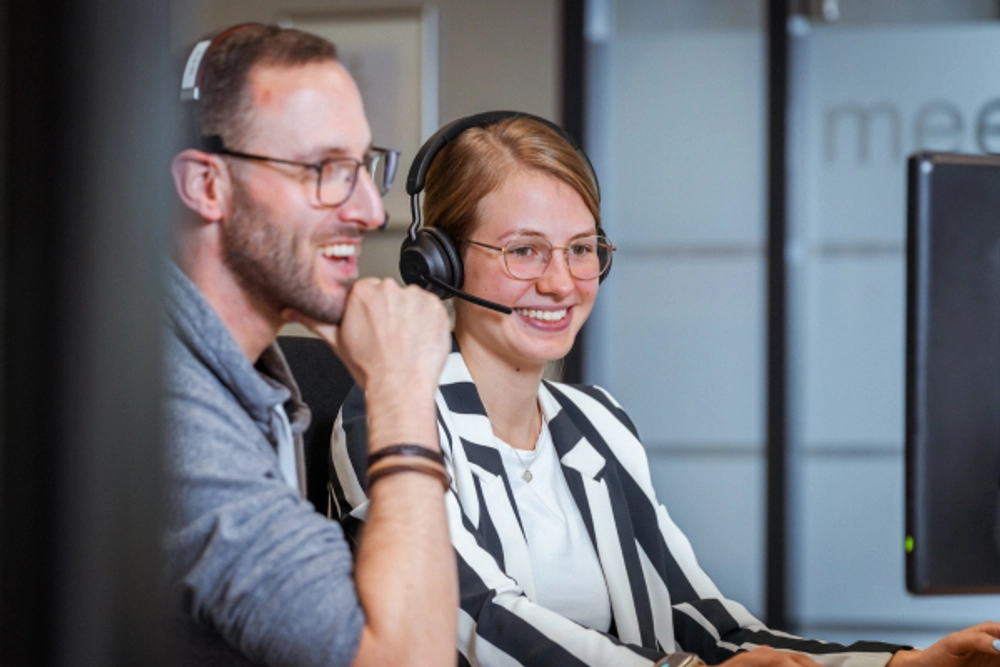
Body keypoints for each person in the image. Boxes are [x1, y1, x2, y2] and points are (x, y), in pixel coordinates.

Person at [330, 113, 1000, 666]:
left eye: (582, 248)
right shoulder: (390, 413)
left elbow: (702, 622)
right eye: (525, 250)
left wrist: (897, 664)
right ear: (438, 261)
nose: (562, 283)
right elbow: (474, 618)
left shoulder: (595, 421)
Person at [164, 24, 457, 666]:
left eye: (364, 167)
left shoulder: (239, 377)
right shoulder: (171, 412)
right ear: (207, 186)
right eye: (325, 169)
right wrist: (401, 392)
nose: (370, 212)